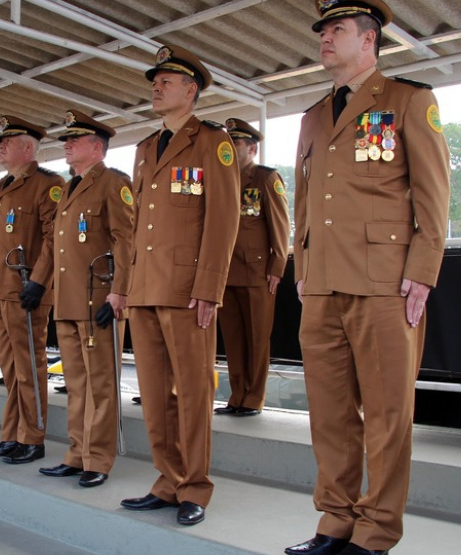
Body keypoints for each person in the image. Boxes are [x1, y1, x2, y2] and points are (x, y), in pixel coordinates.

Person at [284, 2, 451, 555]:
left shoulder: (408, 99)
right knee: (329, 413)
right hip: (323, 284)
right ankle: (335, 520)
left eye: (338, 30)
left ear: (369, 40)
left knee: (385, 413)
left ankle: (376, 532)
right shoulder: (312, 117)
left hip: (385, 282)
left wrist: (423, 271)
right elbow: (304, 203)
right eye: (323, 31)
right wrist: (302, 269)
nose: (326, 39)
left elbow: (432, 196)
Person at [119, 45, 240, 526]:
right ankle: (167, 480)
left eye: (165, 81)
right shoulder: (146, 147)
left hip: (187, 288)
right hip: (146, 288)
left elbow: (223, 218)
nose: (156, 86)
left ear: (190, 91)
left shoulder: (213, 141)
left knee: (191, 392)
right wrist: (127, 286)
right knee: (153, 392)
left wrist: (209, 286)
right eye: (155, 81)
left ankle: (195, 487)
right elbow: (136, 225)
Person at [39, 110, 134, 488]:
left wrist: (120, 291)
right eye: (67, 140)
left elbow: (125, 240)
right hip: (69, 301)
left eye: (74, 140)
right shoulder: (68, 187)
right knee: (77, 384)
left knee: (101, 385)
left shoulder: (113, 183)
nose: (66, 145)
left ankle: (98, 459)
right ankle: (76, 453)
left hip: (100, 300)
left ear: (97, 148)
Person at [0, 116, 63, 464]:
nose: (0, 147)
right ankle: (12, 433)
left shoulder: (47, 184)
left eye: (7, 142)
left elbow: (55, 238)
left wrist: (39, 281)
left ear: (28, 148)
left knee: (28, 365)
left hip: (25, 290)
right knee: (9, 368)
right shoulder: (0, 187)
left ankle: (33, 437)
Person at [215, 119, 290, 417]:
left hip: (258, 272)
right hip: (226, 272)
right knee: (233, 338)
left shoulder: (264, 179)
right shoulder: (221, 180)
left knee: (257, 338)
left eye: (236, 144)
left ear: (252, 148)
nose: (231, 150)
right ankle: (237, 395)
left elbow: (280, 226)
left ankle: (254, 398)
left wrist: (277, 266)